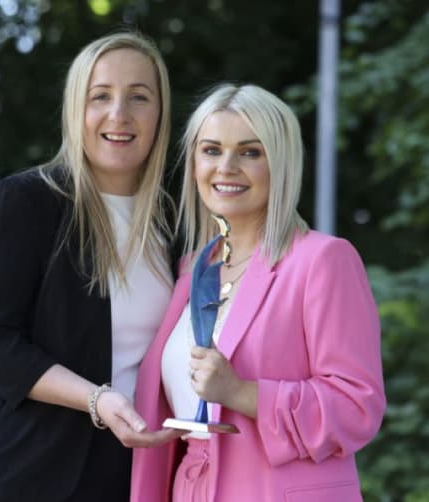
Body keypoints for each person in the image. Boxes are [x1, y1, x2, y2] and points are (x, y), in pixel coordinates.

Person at [130, 83, 386, 501]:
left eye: (250, 152)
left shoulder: (323, 261)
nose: (226, 167)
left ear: (280, 163)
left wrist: (241, 393)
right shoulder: (192, 269)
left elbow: (357, 408)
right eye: (211, 150)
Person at [0, 31, 182, 502]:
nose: (119, 114)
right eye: (101, 96)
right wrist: (97, 400)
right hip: (28, 472)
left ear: (160, 112)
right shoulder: (27, 202)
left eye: (138, 97)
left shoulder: (175, 222)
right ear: (76, 108)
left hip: (132, 474)